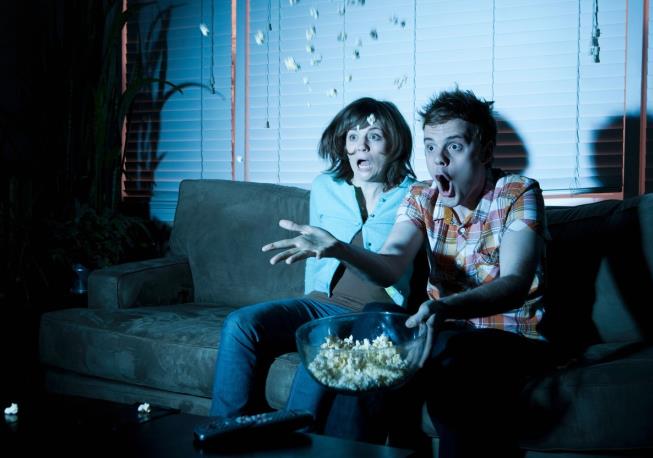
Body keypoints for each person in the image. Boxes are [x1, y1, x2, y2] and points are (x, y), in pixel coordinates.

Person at [262, 87, 558, 457]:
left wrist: (446, 308)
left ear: (484, 151)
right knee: (373, 319)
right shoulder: (422, 196)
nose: (439, 161)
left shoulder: (517, 192)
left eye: (454, 147)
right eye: (431, 147)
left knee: (455, 357)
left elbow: (515, 282)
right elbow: (390, 264)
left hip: (511, 337)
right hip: (441, 331)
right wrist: (339, 248)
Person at [209, 97, 418, 423]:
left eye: (374, 137)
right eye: (352, 137)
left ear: (395, 144)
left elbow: (399, 266)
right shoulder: (325, 186)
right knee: (240, 324)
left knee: (322, 343)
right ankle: (223, 432)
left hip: (372, 316)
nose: (361, 145)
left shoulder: (415, 195)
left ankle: (294, 440)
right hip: (319, 303)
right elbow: (314, 257)